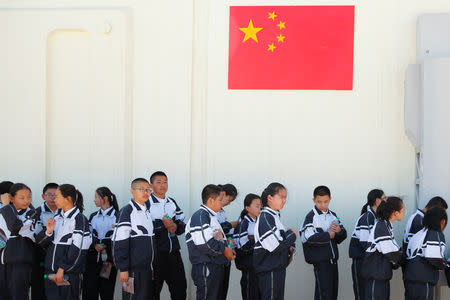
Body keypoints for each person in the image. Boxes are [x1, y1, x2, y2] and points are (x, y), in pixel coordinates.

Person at [37, 184, 92, 300]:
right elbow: (40, 243)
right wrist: (48, 232)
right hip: (51, 273)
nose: (53, 199)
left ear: (68, 199)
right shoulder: (56, 218)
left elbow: (78, 249)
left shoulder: (80, 219)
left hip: (68, 275)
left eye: (57, 196)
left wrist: (62, 269)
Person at [185, 184, 235, 300]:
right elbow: (205, 244)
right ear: (211, 200)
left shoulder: (212, 217)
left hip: (216, 265)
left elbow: (216, 239)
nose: (222, 203)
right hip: (206, 266)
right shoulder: (201, 216)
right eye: (220, 200)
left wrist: (227, 244)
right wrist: (224, 249)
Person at [301, 185, 347, 300]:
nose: (322, 204)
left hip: (333, 261)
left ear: (330, 199)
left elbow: (343, 234)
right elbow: (308, 238)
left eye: (326, 201)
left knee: (333, 293)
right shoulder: (310, 217)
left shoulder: (334, 216)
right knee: (324, 294)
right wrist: (327, 235)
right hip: (321, 263)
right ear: (314, 200)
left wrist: (339, 231)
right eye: (319, 201)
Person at [113, 178, 156, 300]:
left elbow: (151, 243)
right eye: (141, 189)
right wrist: (123, 269)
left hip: (146, 269)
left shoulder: (147, 212)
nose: (146, 193)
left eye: (148, 190)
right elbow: (119, 242)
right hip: (132, 270)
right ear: (132, 191)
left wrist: (151, 266)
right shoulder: (127, 212)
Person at [254, 182, 297, 300]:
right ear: (270, 198)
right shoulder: (265, 217)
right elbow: (275, 246)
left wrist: (290, 246)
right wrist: (292, 235)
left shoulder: (274, 216)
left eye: (285, 198)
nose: (284, 201)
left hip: (277, 268)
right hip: (269, 270)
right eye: (281, 197)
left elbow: (282, 241)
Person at [148, 171, 187, 300]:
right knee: (153, 291)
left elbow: (182, 224)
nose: (162, 185)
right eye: (158, 182)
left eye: (165, 182)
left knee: (180, 290)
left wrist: (174, 226)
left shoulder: (172, 202)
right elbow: (145, 228)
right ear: (151, 185)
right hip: (156, 254)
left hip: (174, 253)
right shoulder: (147, 203)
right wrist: (163, 225)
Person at [361, 196, 405, 300]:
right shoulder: (382, 226)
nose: (404, 213)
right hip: (375, 278)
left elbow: (394, 249)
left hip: (381, 276)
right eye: (403, 210)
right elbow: (392, 252)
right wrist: (407, 259)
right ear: (395, 212)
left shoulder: (386, 225)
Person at [0, 183, 39, 300]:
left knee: (18, 295)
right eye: (22, 197)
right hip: (3, 262)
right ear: (11, 198)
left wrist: (6, 205)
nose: (26, 200)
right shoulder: (3, 211)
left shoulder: (32, 213)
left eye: (29, 197)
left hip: (20, 262)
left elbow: (15, 227)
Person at [349, 189, 386, 300]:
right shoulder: (367, 218)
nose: (386, 201)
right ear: (377, 201)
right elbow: (366, 244)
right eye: (385, 198)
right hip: (361, 262)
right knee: (362, 294)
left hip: (369, 262)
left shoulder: (376, 218)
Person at [404, 207, 448, 300]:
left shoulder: (418, 234)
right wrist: (442, 265)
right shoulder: (435, 233)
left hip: (410, 279)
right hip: (423, 280)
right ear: (443, 221)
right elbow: (433, 256)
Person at [83, 187, 119, 300]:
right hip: (92, 261)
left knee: (106, 293)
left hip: (108, 263)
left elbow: (119, 238)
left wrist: (106, 245)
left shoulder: (117, 216)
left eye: (96, 197)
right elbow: (88, 235)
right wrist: (95, 245)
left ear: (105, 198)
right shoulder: (93, 216)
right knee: (89, 292)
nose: (94, 200)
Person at [32, 182, 59, 300]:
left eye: (55, 195)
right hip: (41, 256)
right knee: (39, 290)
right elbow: (36, 237)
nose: (53, 198)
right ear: (43, 196)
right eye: (49, 195)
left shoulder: (63, 211)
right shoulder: (37, 212)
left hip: (58, 258)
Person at [234, 193, 262, 300]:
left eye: (260, 206)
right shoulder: (243, 224)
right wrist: (259, 239)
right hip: (249, 268)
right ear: (247, 208)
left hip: (259, 266)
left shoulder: (259, 223)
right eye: (256, 205)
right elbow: (242, 247)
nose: (259, 208)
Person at [217, 183, 238, 300]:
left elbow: (225, 234)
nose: (229, 203)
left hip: (226, 255)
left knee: (223, 289)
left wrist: (231, 240)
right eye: (229, 200)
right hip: (216, 255)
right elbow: (216, 230)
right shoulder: (211, 212)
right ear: (223, 194)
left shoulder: (222, 212)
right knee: (215, 290)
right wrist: (230, 224)